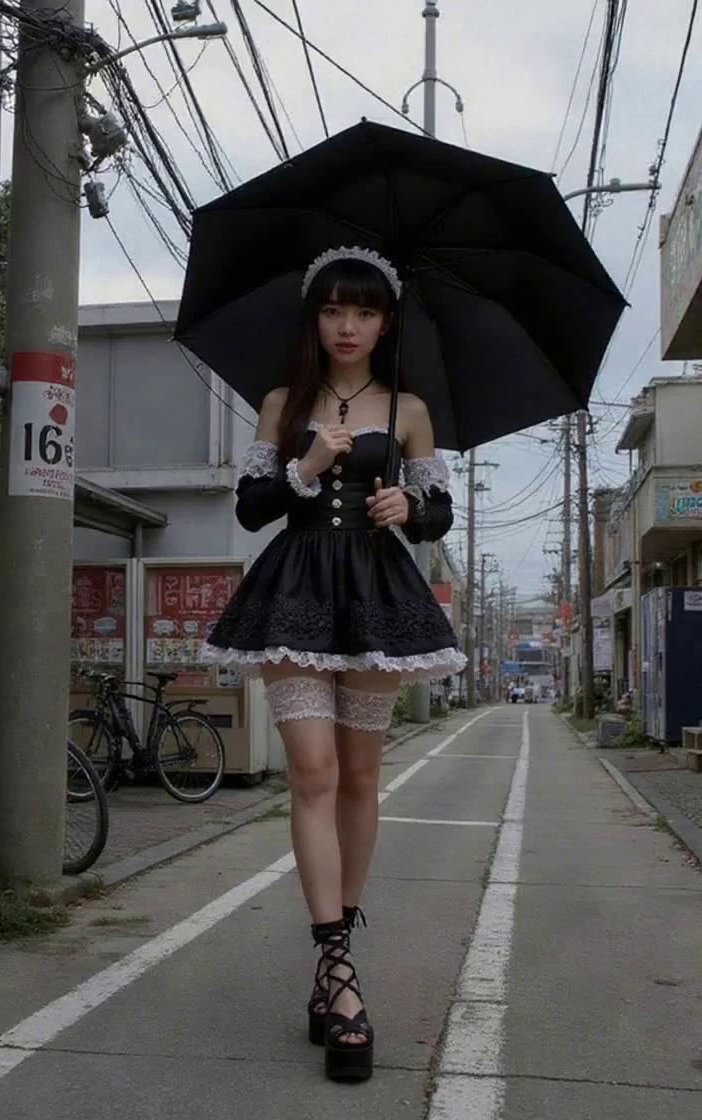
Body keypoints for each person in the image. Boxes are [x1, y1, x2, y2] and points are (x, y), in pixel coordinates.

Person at [200, 247, 466, 1082]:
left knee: (358, 778)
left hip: (378, 598)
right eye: (332, 310)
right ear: (313, 319)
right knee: (311, 773)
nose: (347, 326)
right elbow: (250, 511)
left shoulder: (410, 408)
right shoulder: (282, 402)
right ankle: (339, 969)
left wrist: (409, 505)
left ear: (386, 323)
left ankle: (330, 962)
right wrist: (306, 468)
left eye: (364, 312)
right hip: (295, 590)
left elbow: (439, 510)